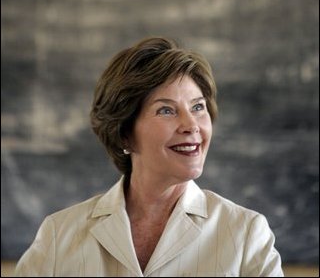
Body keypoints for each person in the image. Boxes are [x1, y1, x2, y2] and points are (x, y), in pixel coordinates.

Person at [15, 36, 284, 277]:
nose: (191, 125)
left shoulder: (247, 233)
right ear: (124, 133)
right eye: (166, 110)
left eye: (198, 107)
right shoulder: (58, 235)